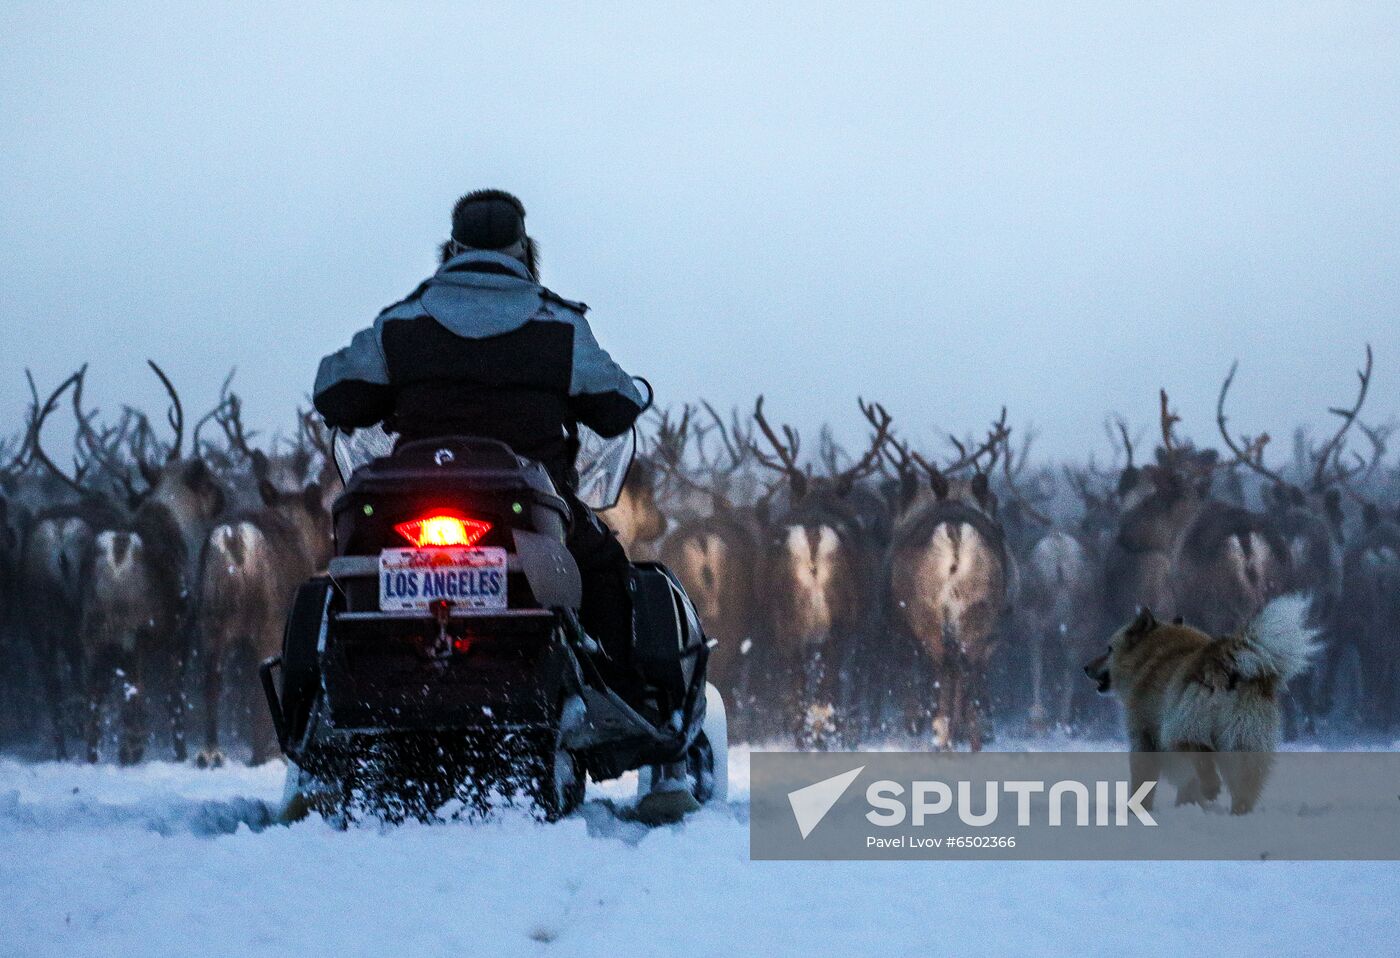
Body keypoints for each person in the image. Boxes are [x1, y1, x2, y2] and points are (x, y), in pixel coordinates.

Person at [312, 189, 646, 662]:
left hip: (408, 504)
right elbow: (618, 407)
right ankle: (621, 695)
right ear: (526, 251)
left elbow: (334, 392)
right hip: (531, 509)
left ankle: (338, 687)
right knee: (604, 569)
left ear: (451, 251)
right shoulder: (561, 326)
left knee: (347, 575)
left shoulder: (401, 322)